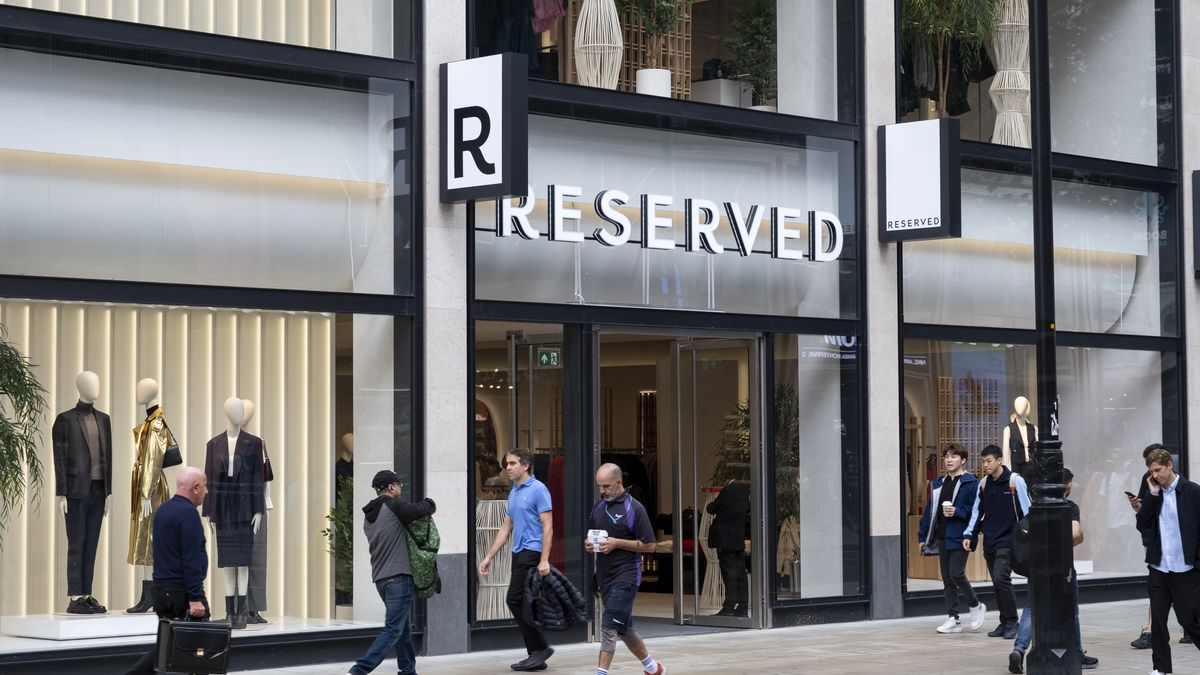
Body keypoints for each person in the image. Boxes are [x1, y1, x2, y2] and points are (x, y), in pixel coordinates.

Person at [1007, 468, 1099, 672]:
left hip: (1037, 567)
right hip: (1062, 566)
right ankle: (1077, 651)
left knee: (1031, 608)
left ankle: (1019, 649)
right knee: (1071, 610)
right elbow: (1075, 535)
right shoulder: (1069, 507)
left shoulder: (1037, 507)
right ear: (1065, 485)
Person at [348, 470, 436, 675]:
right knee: (393, 629)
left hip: (381, 579)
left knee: (403, 630)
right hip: (399, 577)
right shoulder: (394, 506)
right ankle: (358, 670)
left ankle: (408, 671)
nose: (401, 488)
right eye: (398, 484)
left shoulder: (369, 515)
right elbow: (427, 508)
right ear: (391, 487)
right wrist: (429, 499)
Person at [125, 467, 211, 675]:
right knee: (202, 643)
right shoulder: (189, 514)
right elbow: (190, 560)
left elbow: (160, 553)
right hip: (182, 591)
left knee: (169, 644)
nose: (207, 492)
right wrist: (195, 597)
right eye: (205, 486)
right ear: (196, 488)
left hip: (162, 590)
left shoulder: (162, 511)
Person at [479, 448, 555, 671]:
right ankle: (536, 653)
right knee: (521, 601)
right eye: (507, 464)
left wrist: (544, 559)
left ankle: (539, 648)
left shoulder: (539, 490)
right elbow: (506, 527)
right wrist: (488, 557)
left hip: (532, 552)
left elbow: (548, 526)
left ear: (526, 465)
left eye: (512, 463)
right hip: (518, 552)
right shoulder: (514, 492)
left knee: (514, 599)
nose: (508, 468)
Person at [586, 464, 667, 675]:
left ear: (619, 482)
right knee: (624, 628)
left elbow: (650, 545)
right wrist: (589, 544)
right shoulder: (598, 507)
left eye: (606, 486)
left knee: (609, 625)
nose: (602, 491)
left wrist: (617, 543)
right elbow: (592, 536)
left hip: (627, 576)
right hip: (604, 576)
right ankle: (653, 668)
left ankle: (600, 673)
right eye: (600, 486)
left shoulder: (635, 508)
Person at [1134, 448, 1200, 675]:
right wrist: (1150, 497)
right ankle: (1161, 669)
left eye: (1158, 470)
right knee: (1159, 623)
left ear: (1170, 465)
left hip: (1185, 568)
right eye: (1151, 472)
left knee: (1189, 621)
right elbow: (1142, 524)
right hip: (1159, 567)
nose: (1155, 476)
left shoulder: (1192, 491)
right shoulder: (1154, 492)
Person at [963, 444, 1031, 640]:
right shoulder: (983, 484)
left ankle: (1012, 621)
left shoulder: (1014, 481)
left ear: (1000, 460)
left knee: (1002, 578)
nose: (985, 465)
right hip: (990, 542)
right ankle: (1004, 622)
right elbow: (977, 512)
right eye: (983, 461)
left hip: (1009, 541)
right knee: (996, 583)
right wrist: (969, 535)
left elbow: (1027, 512)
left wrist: (1027, 539)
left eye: (989, 461)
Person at [917, 444, 986, 633]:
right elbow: (930, 510)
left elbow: (977, 511)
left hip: (961, 534)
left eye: (954, 456)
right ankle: (953, 618)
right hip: (942, 534)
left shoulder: (972, 482)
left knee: (956, 573)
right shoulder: (938, 483)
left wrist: (958, 512)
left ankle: (975, 604)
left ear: (963, 460)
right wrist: (922, 536)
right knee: (947, 578)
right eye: (946, 456)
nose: (949, 460)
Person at [706, 474, 751, 617]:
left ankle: (729, 607)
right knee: (741, 573)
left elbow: (712, 509)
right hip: (738, 537)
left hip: (725, 537)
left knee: (729, 574)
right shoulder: (746, 491)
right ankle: (743, 607)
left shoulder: (728, 490)